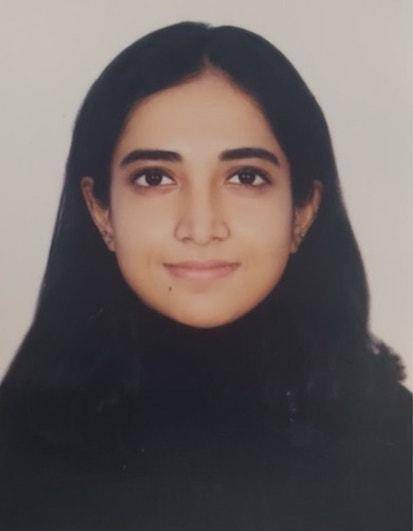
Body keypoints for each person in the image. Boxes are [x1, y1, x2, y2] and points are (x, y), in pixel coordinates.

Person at [0, 21, 410, 531]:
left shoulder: (397, 447)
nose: (200, 227)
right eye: (155, 178)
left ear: (303, 211)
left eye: (246, 176)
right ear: (101, 210)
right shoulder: (12, 450)